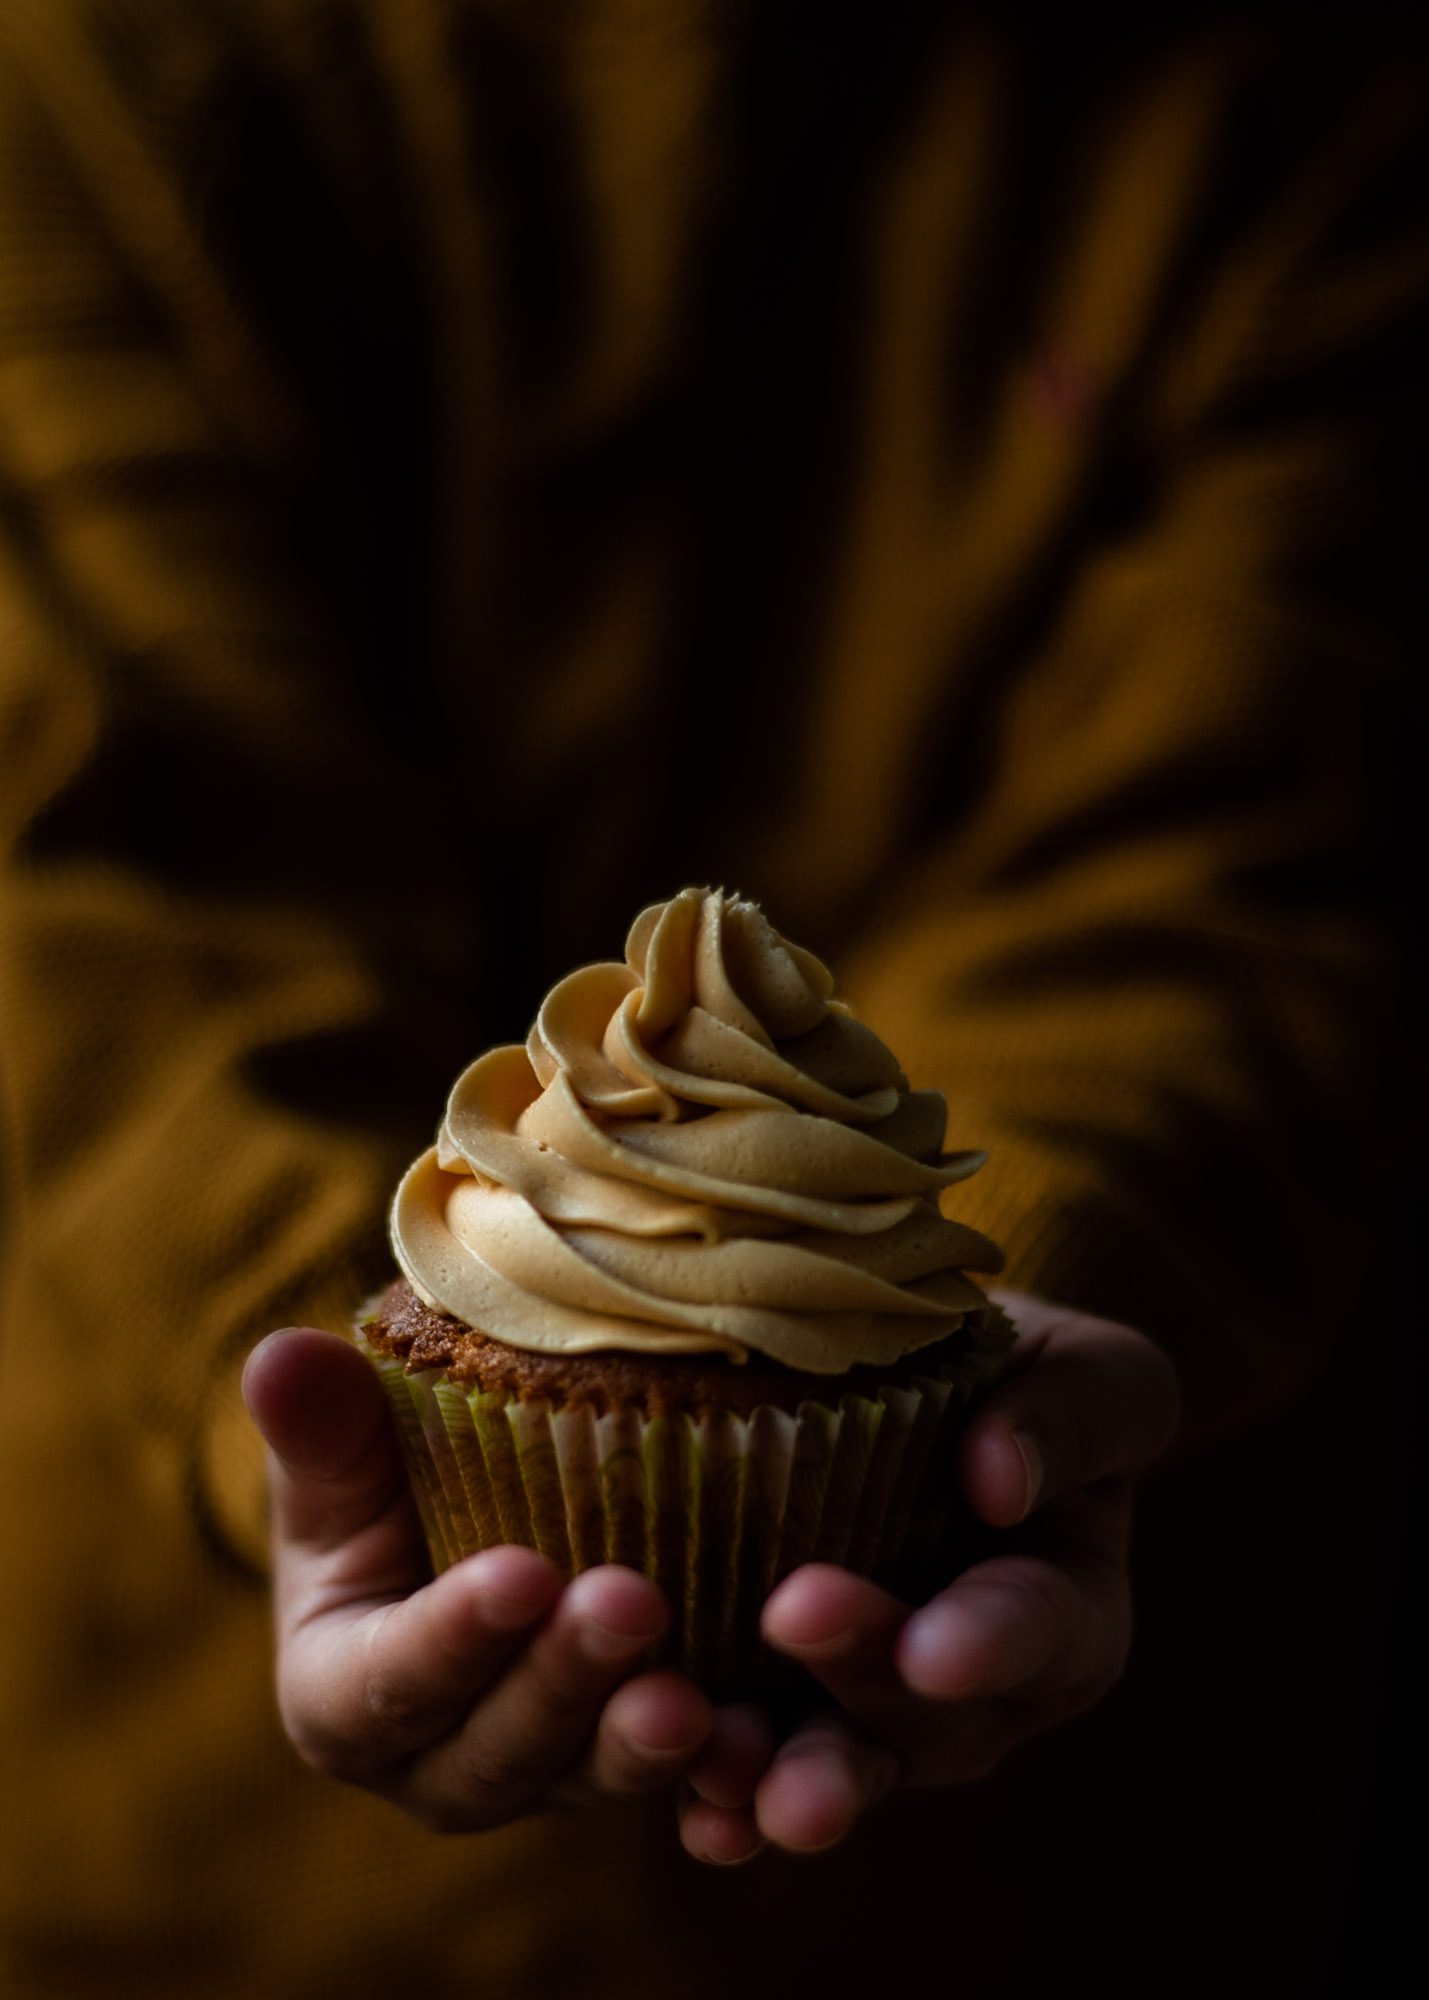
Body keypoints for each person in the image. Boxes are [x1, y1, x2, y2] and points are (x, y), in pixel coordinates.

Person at [1, 3, 1422, 1994]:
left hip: (1044, 1860)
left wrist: (989, 1319)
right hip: (186, 1831)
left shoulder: (1305, 103)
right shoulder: (103, 68)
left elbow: (1229, 870)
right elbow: (106, 879)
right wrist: (332, 1432)